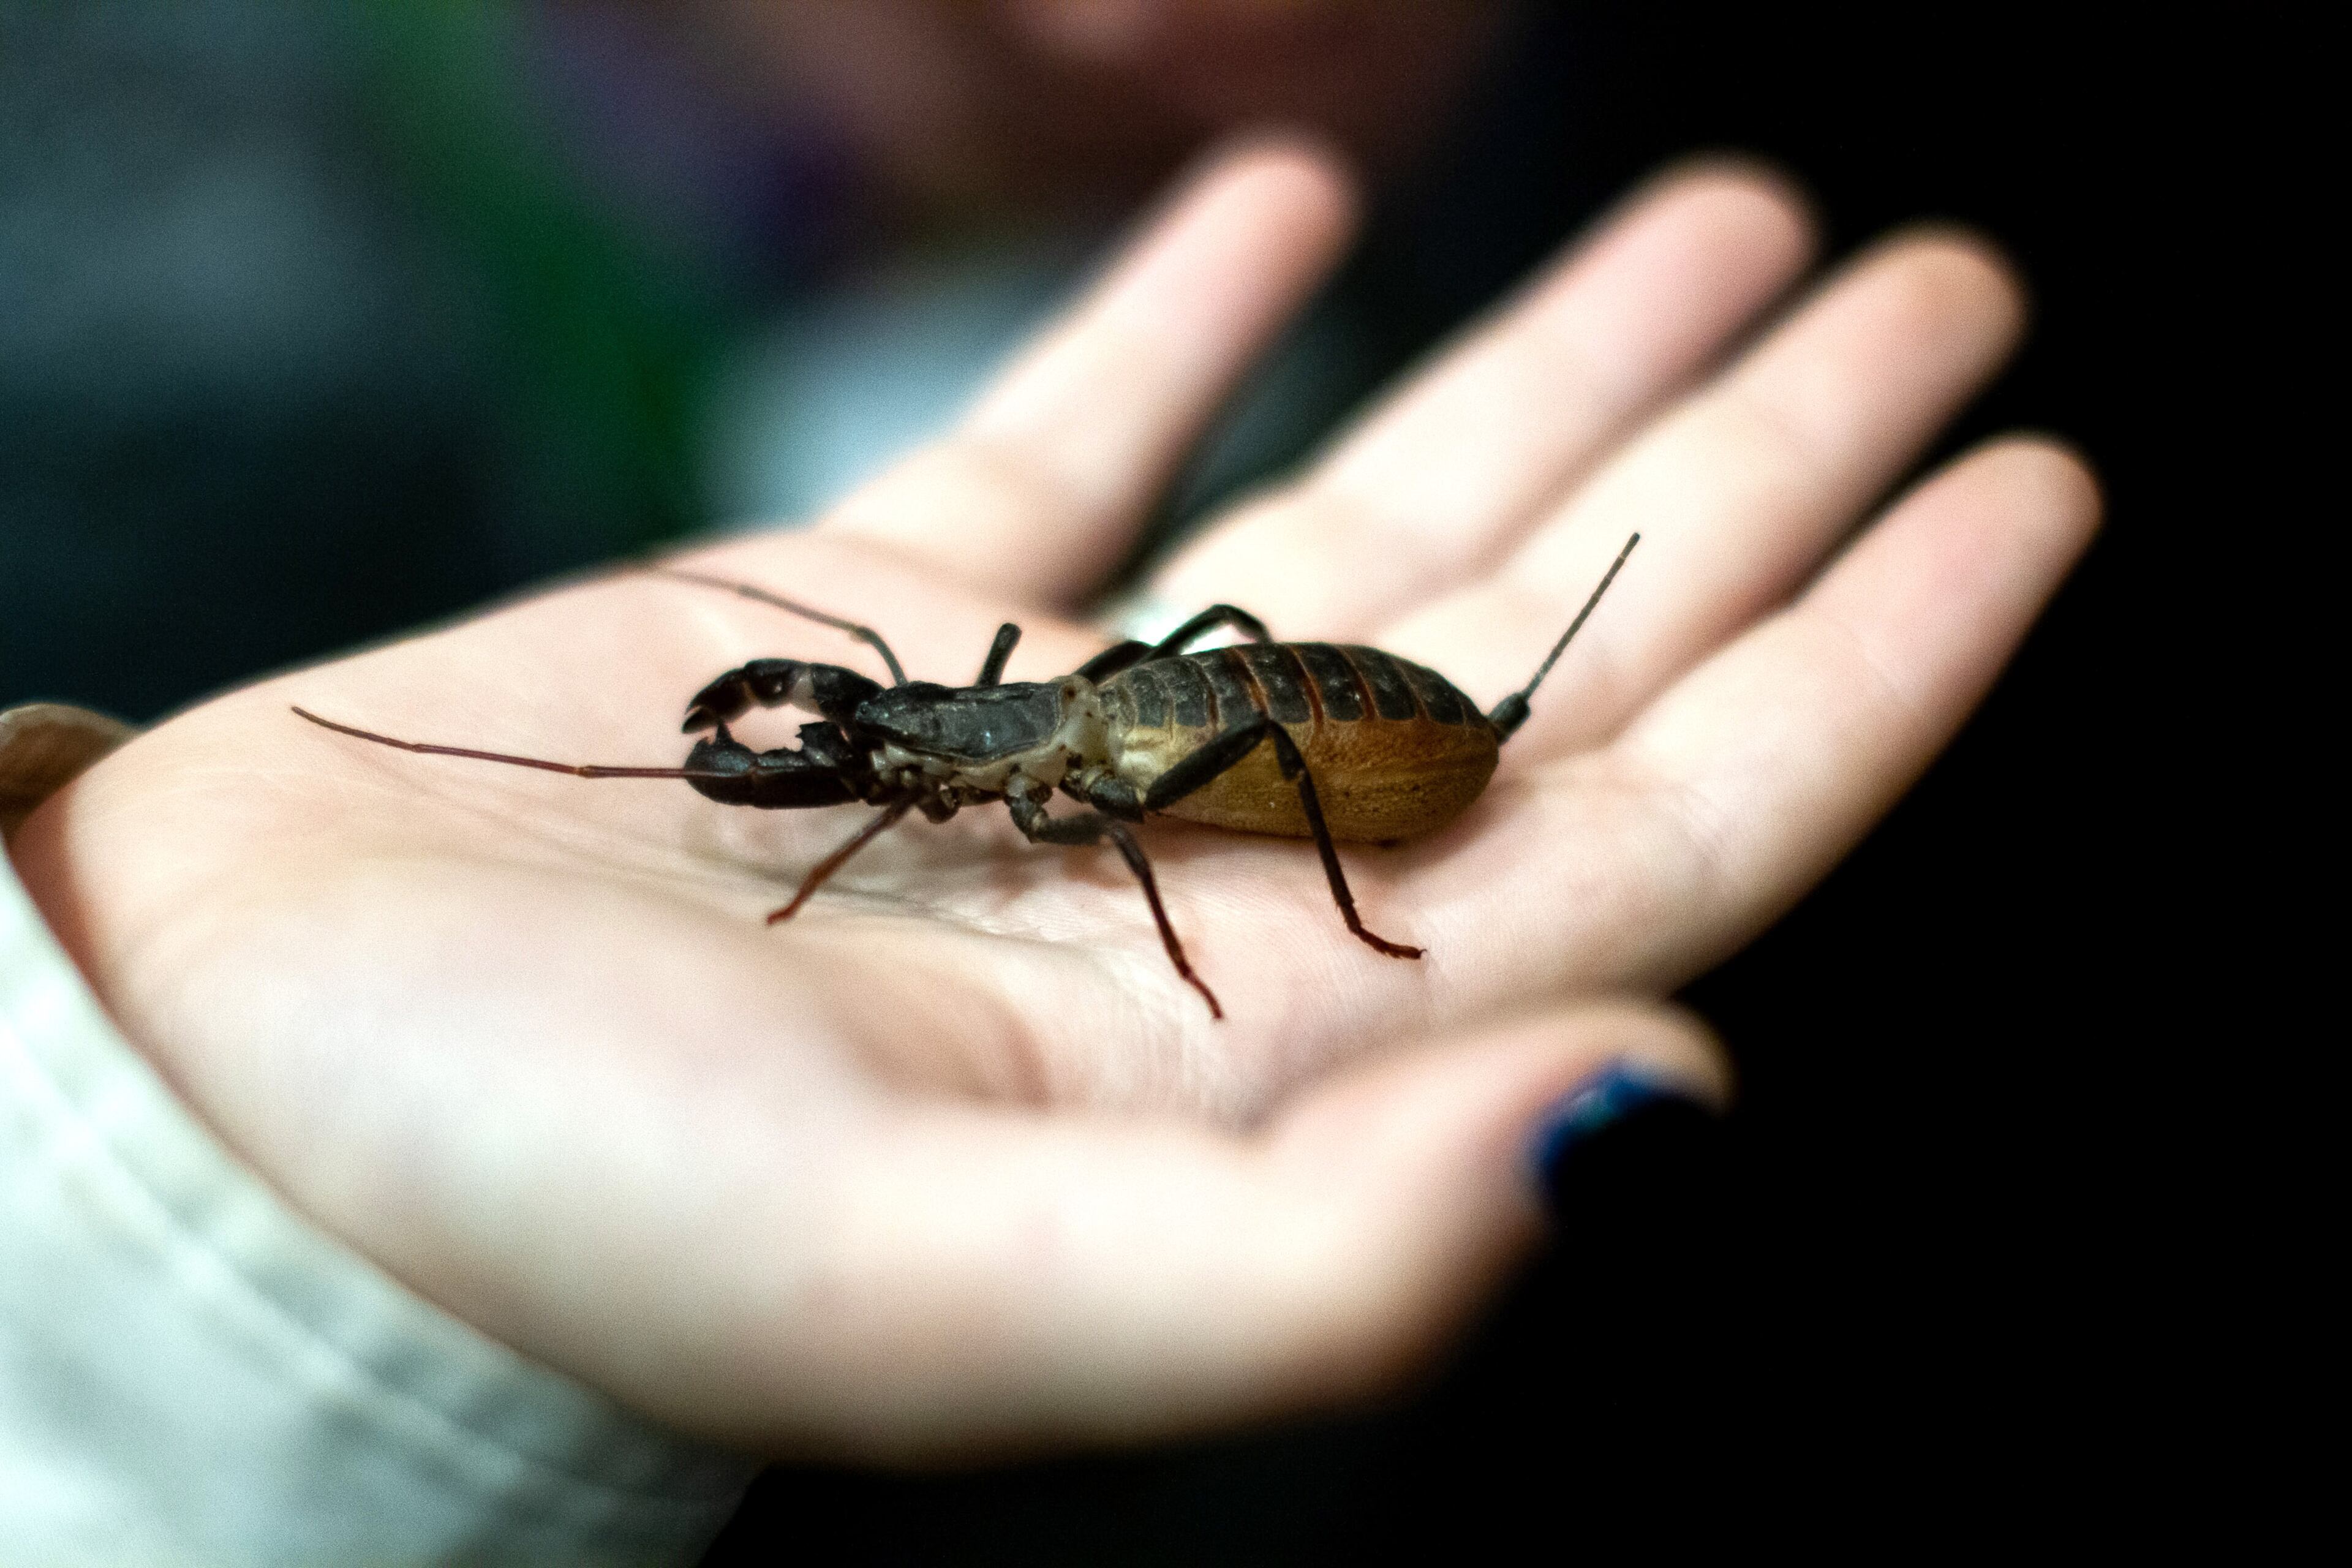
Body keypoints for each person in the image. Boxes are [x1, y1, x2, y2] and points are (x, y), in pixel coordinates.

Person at [2, 138, 2096, 1560]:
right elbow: (912, 737)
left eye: (868, 759)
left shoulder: (1050, 775)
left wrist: (1207, 907)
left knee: (1169, 728)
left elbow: (1065, 768)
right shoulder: (950, 736)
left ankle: (1331, 823)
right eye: (863, 755)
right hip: (1124, 717)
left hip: (1298, 746)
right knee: (1099, 719)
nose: (861, 759)